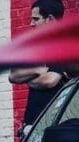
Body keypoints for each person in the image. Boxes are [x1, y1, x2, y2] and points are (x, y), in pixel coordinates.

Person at [9, 0, 65, 129]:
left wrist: (27, 77)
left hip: (54, 126)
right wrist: (40, 70)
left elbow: (49, 81)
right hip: (31, 127)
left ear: (50, 19)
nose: (31, 24)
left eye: (36, 19)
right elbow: (13, 76)